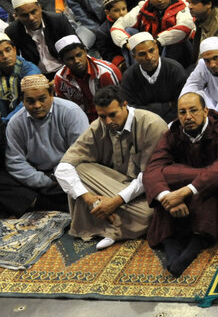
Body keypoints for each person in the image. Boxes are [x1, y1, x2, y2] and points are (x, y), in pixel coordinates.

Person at [54, 85, 168, 250]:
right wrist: (89, 199)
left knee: (151, 215)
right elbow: (63, 168)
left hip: (147, 191)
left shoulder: (151, 124)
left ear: (124, 105)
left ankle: (105, 223)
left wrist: (114, 203)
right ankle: (112, 219)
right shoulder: (98, 126)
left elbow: (149, 176)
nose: (108, 122)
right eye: (102, 116)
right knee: (79, 170)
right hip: (111, 186)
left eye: (112, 115)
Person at [143, 92, 218, 277]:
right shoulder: (173, 133)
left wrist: (186, 191)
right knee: (163, 181)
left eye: (193, 110)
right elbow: (152, 168)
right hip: (190, 182)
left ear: (205, 111)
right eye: (182, 112)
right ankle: (170, 244)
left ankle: (196, 244)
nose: (188, 117)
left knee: (213, 184)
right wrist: (167, 197)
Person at [0, 75, 87, 216]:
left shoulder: (71, 112)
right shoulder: (15, 123)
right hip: (38, 177)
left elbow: (81, 152)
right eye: (30, 101)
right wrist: (43, 181)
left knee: (87, 176)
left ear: (51, 95)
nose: (37, 106)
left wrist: (60, 176)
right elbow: (15, 162)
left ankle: (40, 203)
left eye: (42, 99)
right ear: (22, 100)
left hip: (70, 172)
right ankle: (53, 203)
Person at [119, 32, 187, 123]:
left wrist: (148, 108)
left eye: (151, 50)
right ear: (134, 57)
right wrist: (167, 106)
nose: (149, 57)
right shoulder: (129, 76)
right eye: (142, 54)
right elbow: (131, 110)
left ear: (157, 48)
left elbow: (182, 104)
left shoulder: (175, 70)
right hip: (143, 123)